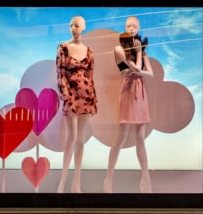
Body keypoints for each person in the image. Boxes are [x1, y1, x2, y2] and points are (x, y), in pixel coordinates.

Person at [103, 16, 153, 193]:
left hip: (140, 91)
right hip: (127, 91)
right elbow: (137, 69)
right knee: (120, 138)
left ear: (138, 28)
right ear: (124, 27)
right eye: (128, 25)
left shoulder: (142, 48)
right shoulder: (119, 48)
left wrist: (140, 58)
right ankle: (108, 178)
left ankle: (146, 178)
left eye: (134, 25)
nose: (131, 27)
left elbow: (150, 73)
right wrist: (139, 54)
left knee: (140, 137)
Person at [56, 15, 97, 193]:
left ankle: (77, 183)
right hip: (70, 97)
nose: (73, 28)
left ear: (83, 27)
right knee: (71, 138)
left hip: (86, 97)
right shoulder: (63, 48)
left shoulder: (89, 51)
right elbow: (60, 75)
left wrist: (94, 100)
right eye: (71, 25)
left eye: (77, 25)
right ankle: (62, 183)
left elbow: (90, 76)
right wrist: (66, 96)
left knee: (80, 140)